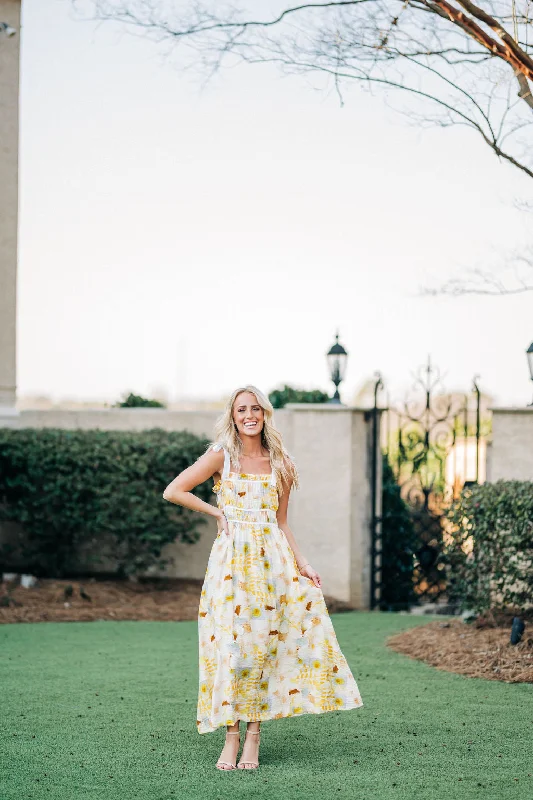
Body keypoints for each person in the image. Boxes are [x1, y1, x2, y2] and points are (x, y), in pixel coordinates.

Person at [163, 385, 363, 771]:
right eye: (242, 410)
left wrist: (303, 563)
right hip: (231, 565)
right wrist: (218, 514)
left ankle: (253, 735)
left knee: (263, 649)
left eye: (256, 408)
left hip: (273, 565)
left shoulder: (282, 463)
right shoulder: (221, 455)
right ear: (233, 416)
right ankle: (231, 735)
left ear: (265, 414)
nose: (249, 415)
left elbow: (281, 521)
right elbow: (175, 490)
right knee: (233, 651)